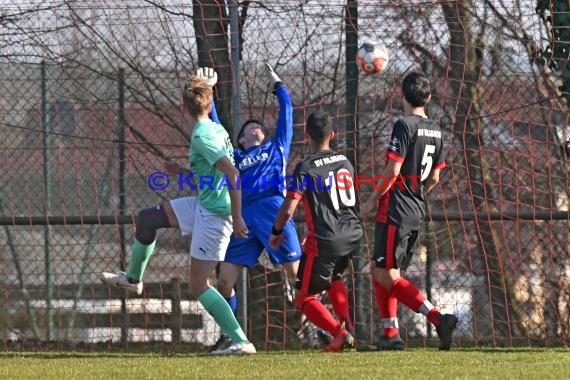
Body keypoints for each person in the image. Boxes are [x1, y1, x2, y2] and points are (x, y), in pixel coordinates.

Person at [100, 70, 256, 355]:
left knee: (199, 285)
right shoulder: (215, 128)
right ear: (208, 106)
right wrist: (182, 172)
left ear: (182, 108)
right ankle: (134, 281)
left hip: (215, 214)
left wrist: (238, 217)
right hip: (204, 204)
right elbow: (213, 172)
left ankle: (240, 341)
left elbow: (233, 174)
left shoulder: (203, 136)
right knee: (148, 219)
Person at [359, 71, 457, 351]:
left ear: (402, 95)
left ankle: (438, 319)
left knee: (387, 274)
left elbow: (393, 170)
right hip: (415, 210)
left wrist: (370, 200)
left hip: (395, 209)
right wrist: (417, 195)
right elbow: (435, 178)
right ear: (428, 98)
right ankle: (390, 334)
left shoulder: (404, 125)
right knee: (380, 271)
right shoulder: (437, 131)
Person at [209, 63, 303, 351]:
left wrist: (279, 87)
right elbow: (214, 127)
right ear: (240, 139)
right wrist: (208, 97)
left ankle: (330, 326)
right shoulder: (235, 157)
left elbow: (287, 113)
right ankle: (231, 336)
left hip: (273, 210)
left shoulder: (277, 147)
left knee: (296, 275)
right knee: (224, 282)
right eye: (250, 126)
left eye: (259, 125)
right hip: (243, 220)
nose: (256, 126)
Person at [269, 110, 363, 352]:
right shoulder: (345, 162)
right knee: (335, 278)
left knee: (303, 295)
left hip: (326, 238)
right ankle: (349, 328)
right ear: (332, 134)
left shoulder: (306, 167)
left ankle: (339, 334)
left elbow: (288, 208)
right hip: (352, 233)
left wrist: (277, 231)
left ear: (307, 135)